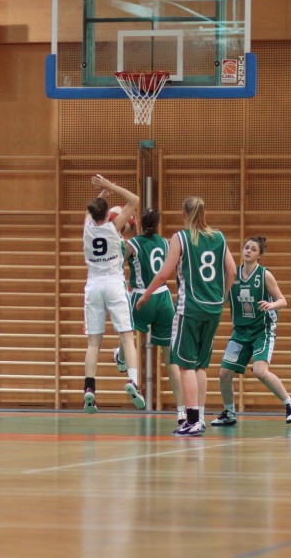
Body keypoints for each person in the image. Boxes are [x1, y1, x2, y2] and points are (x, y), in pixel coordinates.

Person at [137, 197, 237, 437]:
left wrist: (146, 295)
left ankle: (192, 420)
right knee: (200, 365)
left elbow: (164, 274)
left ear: (184, 213)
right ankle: (199, 417)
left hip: (190, 307)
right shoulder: (219, 237)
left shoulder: (180, 238)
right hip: (213, 308)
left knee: (185, 366)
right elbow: (232, 271)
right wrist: (222, 296)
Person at [211, 236, 291, 427]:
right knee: (224, 374)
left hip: (262, 330)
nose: (248, 251)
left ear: (259, 255)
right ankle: (229, 413)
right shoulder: (233, 275)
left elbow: (283, 301)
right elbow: (222, 299)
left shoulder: (264, 275)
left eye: (253, 249)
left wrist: (271, 305)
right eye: (246, 247)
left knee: (260, 371)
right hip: (240, 332)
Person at [81, 175, 145, 414]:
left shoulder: (87, 229)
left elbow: (91, 211)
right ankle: (133, 382)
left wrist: (102, 194)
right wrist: (109, 186)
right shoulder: (114, 226)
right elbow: (134, 200)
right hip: (114, 284)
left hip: (93, 285)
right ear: (108, 214)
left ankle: (89, 388)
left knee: (93, 343)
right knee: (127, 336)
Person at [115, 208, 184, 425]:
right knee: (170, 358)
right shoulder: (165, 243)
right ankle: (182, 411)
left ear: (139, 224)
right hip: (163, 299)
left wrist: (120, 233)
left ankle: (121, 357)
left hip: (141, 296)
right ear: (158, 223)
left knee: (127, 334)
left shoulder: (132, 245)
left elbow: (117, 262)